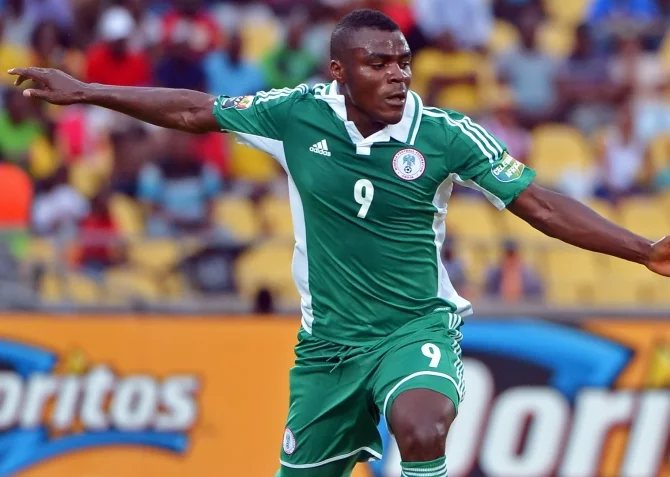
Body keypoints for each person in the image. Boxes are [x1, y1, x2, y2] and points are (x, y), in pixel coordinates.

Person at [9, 9, 670, 477]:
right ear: (339, 72)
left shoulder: (444, 135)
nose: (397, 75)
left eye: (403, 62)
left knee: (421, 425)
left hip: (414, 326)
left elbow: (541, 204)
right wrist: (89, 91)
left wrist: (642, 249)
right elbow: (193, 109)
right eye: (378, 64)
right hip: (328, 347)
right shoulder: (297, 116)